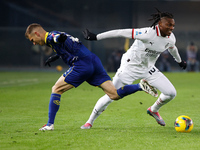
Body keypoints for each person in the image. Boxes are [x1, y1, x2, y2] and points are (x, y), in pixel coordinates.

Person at [25, 23, 157, 131]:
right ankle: (140, 86)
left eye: (33, 40)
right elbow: (65, 46)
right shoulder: (52, 39)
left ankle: (49, 124)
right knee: (114, 94)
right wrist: (54, 57)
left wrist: (58, 39)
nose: (34, 43)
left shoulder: (51, 36)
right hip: (94, 61)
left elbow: (58, 37)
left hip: (81, 64)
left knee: (56, 89)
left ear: (37, 33)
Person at [81, 8, 187, 129]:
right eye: (169, 25)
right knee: (112, 95)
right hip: (129, 67)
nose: (172, 28)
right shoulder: (147, 33)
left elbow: (173, 48)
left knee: (171, 93)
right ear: (160, 24)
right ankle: (89, 121)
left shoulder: (171, 37)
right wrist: (96, 37)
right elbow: (120, 32)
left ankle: (153, 110)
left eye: (173, 25)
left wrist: (179, 61)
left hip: (148, 69)